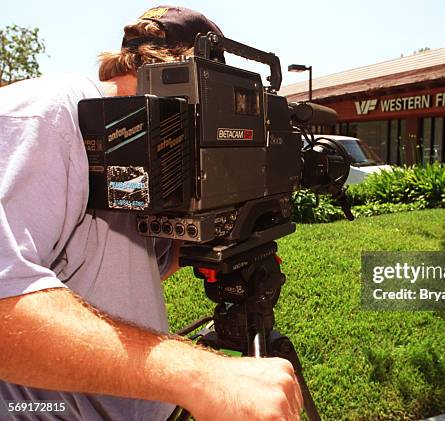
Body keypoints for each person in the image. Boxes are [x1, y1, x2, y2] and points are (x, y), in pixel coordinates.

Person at [0, 5, 302, 421]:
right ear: (180, 74)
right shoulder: (42, 116)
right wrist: (202, 375)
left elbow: (122, 272)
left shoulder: (157, 152)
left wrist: (234, 220)